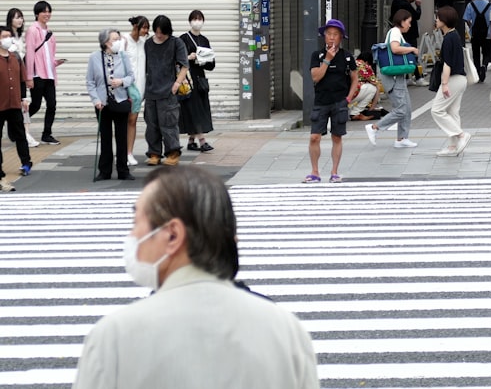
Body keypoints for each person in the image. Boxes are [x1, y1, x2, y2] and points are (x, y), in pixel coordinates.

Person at [72, 167, 319, 389]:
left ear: (172, 236)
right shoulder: (285, 330)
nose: (132, 235)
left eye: (137, 222)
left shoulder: (114, 337)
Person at [305, 18, 358, 184]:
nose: (332, 38)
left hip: (339, 102)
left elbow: (355, 79)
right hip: (321, 101)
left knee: (337, 137)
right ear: (324, 36)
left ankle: (334, 171)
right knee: (314, 137)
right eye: (329, 34)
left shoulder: (348, 57)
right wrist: (327, 59)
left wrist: (349, 98)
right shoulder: (317, 55)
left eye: (335, 34)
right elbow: (315, 77)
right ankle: (315, 171)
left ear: (341, 37)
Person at [85, 28, 136, 181]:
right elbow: (90, 81)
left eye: (118, 38)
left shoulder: (123, 56)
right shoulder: (94, 57)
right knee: (105, 137)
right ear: (106, 42)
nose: (118, 41)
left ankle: (123, 170)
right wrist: (96, 100)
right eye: (115, 39)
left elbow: (131, 77)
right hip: (103, 103)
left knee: (121, 137)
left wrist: (121, 82)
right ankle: (105, 171)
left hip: (120, 100)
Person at [367, 10, 418, 149]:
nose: (409, 25)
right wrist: (412, 49)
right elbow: (395, 49)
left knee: (406, 108)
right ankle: (374, 127)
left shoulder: (395, 32)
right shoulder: (395, 32)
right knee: (401, 109)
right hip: (394, 78)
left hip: (397, 78)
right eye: (408, 22)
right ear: (402, 21)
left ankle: (402, 139)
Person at [143, 15, 189, 166]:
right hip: (150, 91)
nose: (159, 35)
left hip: (168, 92)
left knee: (169, 124)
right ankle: (154, 154)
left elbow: (184, 65)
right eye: (156, 32)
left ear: (168, 31)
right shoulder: (148, 44)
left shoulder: (176, 43)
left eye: (161, 32)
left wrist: (177, 83)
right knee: (151, 125)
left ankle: (173, 154)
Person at [430, 6, 472, 156]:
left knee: (437, 110)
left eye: (438, 17)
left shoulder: (448, 38)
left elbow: (447, 64)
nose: (436, 19)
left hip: (453, 79)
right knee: (452, 112)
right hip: (461, 79)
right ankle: (453, 147)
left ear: (444, 20)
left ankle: (461, 135)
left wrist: (445, 84)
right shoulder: (455, 36)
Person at [24, 0, 65, 145]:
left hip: (49, 74)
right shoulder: (32, 30)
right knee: (35, 105)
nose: (47, 14)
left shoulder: (49, 33)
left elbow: (49, 55)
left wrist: (56, 62)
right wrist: (29, 77)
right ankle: (17, 124)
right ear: (37, 14)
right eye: (44, 11)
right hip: (37, 74)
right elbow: (30, 54)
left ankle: (47, 134)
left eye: (49, 11)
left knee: (52, 105)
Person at [0, 24, 32, 192]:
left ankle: (26, 162)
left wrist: (24, 98)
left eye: (9, 36)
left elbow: (21, 80)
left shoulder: (15, 57)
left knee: (20, 133)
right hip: (0, 104)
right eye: (4, 36)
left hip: (14, 104)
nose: (8, 39)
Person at [179, 10, 215, 153]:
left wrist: (203, 60)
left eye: (200, 19)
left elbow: (211, 64)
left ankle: (191, 141)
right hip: (188, 79)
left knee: (199, 109)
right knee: (194, 110)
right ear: (189, 21)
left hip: (200, 79)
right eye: (194, 19)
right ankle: (202, 141)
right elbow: (177, 59)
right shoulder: (183, 39)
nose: (197, 21)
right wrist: (189, 57)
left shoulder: (205, 40)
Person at [5, 8, 37, 147]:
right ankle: (22, 134)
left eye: (21, 17)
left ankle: (24, 133)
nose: (20, 20)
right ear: (10, 19)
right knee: (14, 105)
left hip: (20, 74)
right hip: (10, 75)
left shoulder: (21, 36)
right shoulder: (7, 37)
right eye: (16, 17)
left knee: (24, 102)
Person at [122, 16, 150, 167]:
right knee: (122, 121)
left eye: (147, 28)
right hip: (125, 87)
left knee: (132, 121)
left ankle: (129, 153)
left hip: (140, 88)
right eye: (143, 27)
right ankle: (122, 152)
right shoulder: (124, 40)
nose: (146, 31)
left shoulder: (144, 43)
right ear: (135, 26)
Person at [463, 0, 491, 82]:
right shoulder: (490, 5)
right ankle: (484, 66)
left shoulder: (470, 5)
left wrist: (471, 26)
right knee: (486, 52)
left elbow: (467, 19)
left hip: (475, 33)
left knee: (476, 53)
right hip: (487, 33)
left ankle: (477, 71)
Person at [348, 50, 380, 120]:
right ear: (367, 61)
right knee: (372, 88)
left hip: (339, 94)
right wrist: (372, 107)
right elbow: (377, 85)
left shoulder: (352, 62)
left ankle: (349, 110)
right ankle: (355, 113)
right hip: (350, 95)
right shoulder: (365, 67)